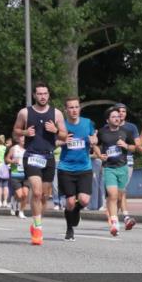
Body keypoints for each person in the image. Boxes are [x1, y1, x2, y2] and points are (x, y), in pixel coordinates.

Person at [13, 82, 67, 245]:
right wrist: (24, 132)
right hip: (31, 156)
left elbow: (64, 135)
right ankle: (38, 228)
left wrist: (56, 131)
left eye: (45, 93)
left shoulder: (56, 113)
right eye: (39, 94)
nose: (42, 96)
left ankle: (36, 221)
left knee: (44, 196)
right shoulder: (25, 113)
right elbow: (15, 131)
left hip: (48, 157)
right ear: (34, 95)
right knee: (36, 192)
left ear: (48, 95)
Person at [56, 96, 97, 241]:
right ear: (66, 110)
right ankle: (69, 228)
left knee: (84, 200)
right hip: (66, 168)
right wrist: (62, 142)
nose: (74, 110)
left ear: (79, 108)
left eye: (76, 107)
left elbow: (94, 138)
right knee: (70, 202)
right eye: (71, 107)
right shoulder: (62, 125)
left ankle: (76, 212)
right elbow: (53, 142)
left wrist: (94, 140)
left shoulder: (87, 123)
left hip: (84, 167)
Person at [97, 106, 136, 237]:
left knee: (120, 196)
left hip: (122, 167)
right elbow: (95, 144)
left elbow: (134, 147)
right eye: (113, 117)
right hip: (109, 168)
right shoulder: (102, 132)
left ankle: (122, 217)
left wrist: (126, 146)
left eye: (118, 116)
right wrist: (99, 154)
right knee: (112, 195)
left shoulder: (126, 132)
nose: (117, 118)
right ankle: (114, 223)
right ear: (108, 120)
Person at [114, 103, 139, 229]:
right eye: (118, 111)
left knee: (121, 190)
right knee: (117, 193)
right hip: (112, 163)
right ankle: (116, 217)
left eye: (123, 111)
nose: (121, 113)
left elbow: (137, 146)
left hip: (127, 162)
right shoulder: (108, 127)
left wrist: (126, 146)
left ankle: (123, 217)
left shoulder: (131, 128)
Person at [6, 135, 29, 218]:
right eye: (22, 138)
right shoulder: (14, 148)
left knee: (25, 195)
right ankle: (14, 201)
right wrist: (12, 161)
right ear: (18, 139)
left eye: (25, 138)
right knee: (20, 195)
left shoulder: (29, 149)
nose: (23, 140)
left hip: (26, 174)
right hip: (15, 174)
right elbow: (7, 159)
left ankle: (21, 212)